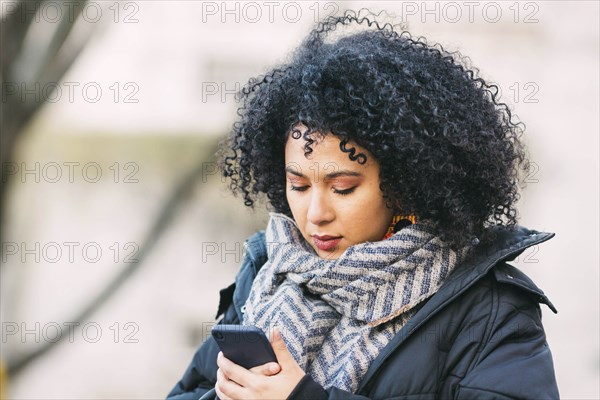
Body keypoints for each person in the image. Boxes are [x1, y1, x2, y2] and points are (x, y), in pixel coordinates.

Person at [167, 11, 559, 400]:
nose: (315, 213)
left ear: (404, 185)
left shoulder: (490, 310)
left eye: (342, 188)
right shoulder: (268, 273)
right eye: (299, 185)